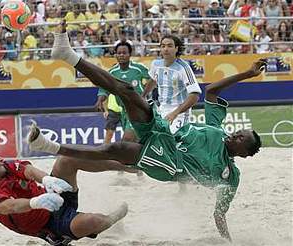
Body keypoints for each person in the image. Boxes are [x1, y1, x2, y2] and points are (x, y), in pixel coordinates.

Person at [32, 21, 265, 242]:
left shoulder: (230, 176)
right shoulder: (217, 129)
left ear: (243, 153)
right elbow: (212, 91)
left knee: (117, 148)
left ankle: (49, 146)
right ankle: (67, 54)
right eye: (239, 132)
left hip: (170, 163)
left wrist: (229, 242)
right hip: (164, 131)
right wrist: (248, 74)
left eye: (240, 138)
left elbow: (219, 214)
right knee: (127, 91)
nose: (235, 135)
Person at [0, 142, 129, 245]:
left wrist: (46, 180)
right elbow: (10, 206)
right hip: (50, 225)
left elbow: (29, 171)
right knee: (94, 221)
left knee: (66, 159)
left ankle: (127, 165)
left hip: (54, 195)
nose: (0, 158)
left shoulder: (6, 167)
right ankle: (112, 219)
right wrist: (35, 202)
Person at [95, 41, 156, 142]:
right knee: (137, 141)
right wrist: (100, 100)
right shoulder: (112, 72)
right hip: (124, 110)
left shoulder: (138, 68)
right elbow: (104, 89)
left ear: (129, 54)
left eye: (124, 53)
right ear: (115, 55)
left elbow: (153, 80)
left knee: (127, 139)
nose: (121, 55)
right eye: (119, 53)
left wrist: (144, 95)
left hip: (138, 109)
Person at [144, 35, 202, 134]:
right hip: (160, 111)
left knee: (170, 140)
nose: (166, 49)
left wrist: (175, 113)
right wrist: (143, 95)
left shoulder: (184, 68)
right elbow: (153, 80)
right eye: (163, 46)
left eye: (170, 46)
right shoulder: (156, 64)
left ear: (176, 49)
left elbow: (195, 95)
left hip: (180, 114)